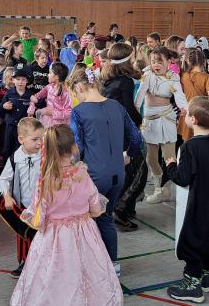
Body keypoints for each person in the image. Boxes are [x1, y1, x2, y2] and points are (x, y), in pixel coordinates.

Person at [11, 124, 122, 306]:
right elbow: (95, 208)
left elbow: (38, 219)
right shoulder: (82, 175)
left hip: (53, 237)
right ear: (73, 148)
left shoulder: (45, 181)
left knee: (55, 274)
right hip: (84, 233)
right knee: (87, 270)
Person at [68, 66, 143, 275]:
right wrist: (128, 155)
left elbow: (78, 147)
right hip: (117, 174)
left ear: (80, 86)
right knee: (106, 218)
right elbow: (136, 137)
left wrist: (72, 168)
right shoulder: (117, 106)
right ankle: (112, 263)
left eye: (75, 94)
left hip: (94, 176)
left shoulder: (79, 112)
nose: (76, 98)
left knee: (88, 221)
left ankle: (93, 263)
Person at [164, 96, 209, 303]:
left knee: (194, 241)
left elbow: (182, 178)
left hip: (199, 204)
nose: (185, 115)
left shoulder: (189, 147)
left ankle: (193, 287)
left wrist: (171, 165)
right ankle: (205, 278)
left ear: (194, 120)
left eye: (188, 113)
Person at [135, 46, 189, 205]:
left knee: (169, 157)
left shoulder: (173, 77)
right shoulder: (147, 75)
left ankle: (165, 190)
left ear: (168, 61)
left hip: (167, 119)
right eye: (153, 61)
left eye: (160, 61)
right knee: (150, 158)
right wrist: (135, 112)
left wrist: (184, 108)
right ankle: (159, 189)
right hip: (149, 120)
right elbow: (139, 96)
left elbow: (179, 95)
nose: (156, 64)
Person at [101, 43, 145, 230]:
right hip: (123, 132)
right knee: (138, 171)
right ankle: (119, 209)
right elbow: (128, 110)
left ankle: (120, 208)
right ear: (128, 59)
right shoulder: (125, 81)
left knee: (124, 170)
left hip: (110, 131)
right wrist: (140, 119)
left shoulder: (108, 79)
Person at [0, 118, 44, 279]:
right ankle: (26, 263)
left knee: (42, 236)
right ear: (21, 139)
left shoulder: (45, 157)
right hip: (23, 206)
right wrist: (7, 195)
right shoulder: (14, 159)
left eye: (42, 139)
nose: (39, 143)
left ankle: (44, 264)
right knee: (25, 236)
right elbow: (3, 180)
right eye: (35, 139)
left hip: (42, 206)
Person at [0, 69, 33, 176]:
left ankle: (18, 171)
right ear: (13, 80)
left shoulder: (30, 95)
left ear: (27, 81)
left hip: (23, 129)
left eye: (23, 79)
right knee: (7, 148)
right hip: (10, 126)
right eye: (18, 79)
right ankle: (4, 171)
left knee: (20, 149)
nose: (20, 82)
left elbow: (35, 106)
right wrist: (4, 106)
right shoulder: (9, 93)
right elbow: (0, 108)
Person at [27, 62, 72, 128]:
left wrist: (52, 113)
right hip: (47, 122)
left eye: (50, 73)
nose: (48, 75)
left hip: (60, 126)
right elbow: (35, 97)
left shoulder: (66, 92)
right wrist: (31, 108)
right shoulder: (48, 87)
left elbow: (69, 112)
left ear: (56, 77)